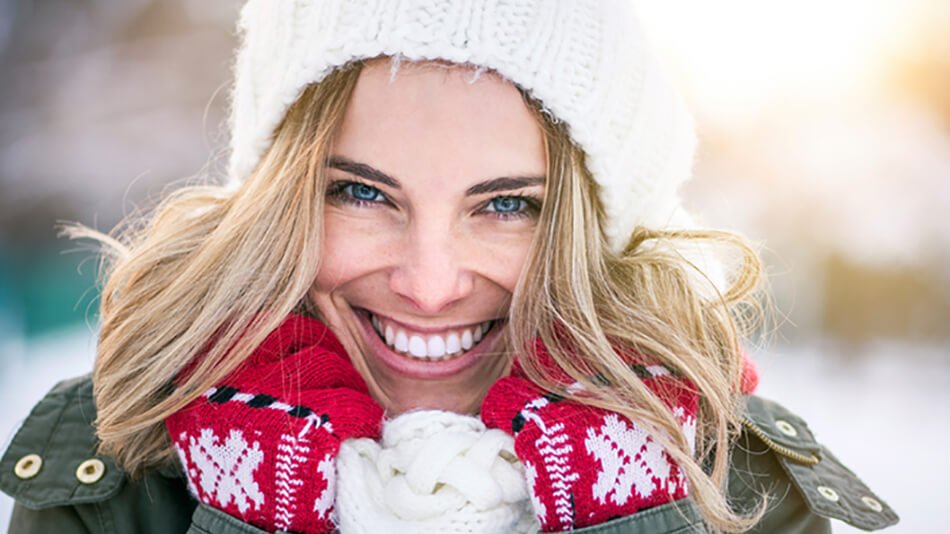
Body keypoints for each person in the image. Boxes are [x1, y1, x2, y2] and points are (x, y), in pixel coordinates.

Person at [0, 1, 899, 532]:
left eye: (507, 205)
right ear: (281, 201)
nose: (430, 284)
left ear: (595, 227)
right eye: (360, 193)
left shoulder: (737, 485)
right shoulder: (120, 467)